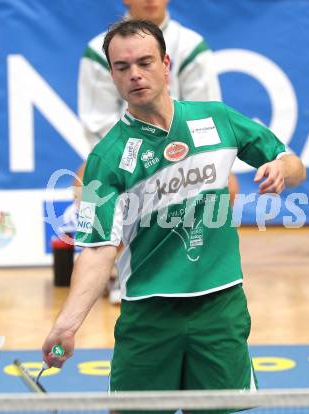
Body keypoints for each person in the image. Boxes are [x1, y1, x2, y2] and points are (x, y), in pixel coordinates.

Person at [43, 19, 306, 409]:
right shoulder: (107, 158)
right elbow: (98, 250)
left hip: (220, 307)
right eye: (122, 67)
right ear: (112, 75)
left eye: (145, 62)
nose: (135, 74)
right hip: (149, 314)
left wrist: (282, 169)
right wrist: (66, 325)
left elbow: (292, 162)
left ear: (166, 64)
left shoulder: (217, 119)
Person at [77, 0, 238, 303]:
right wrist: (141, 155)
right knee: (86, 181)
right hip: (129, 150)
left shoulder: (191, 45)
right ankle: (120, 270)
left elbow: (206, 115)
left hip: (188, 150)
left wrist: (172, 155)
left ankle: (195, 265)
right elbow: (97, 122)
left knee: (227, 184)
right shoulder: (98, 50)